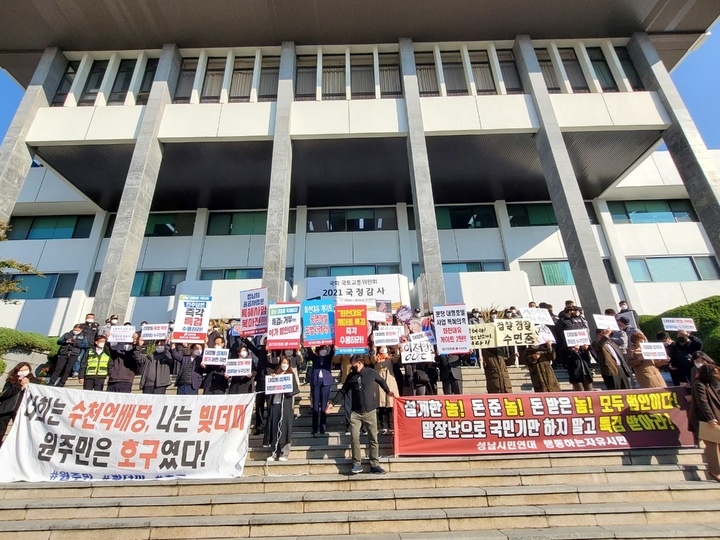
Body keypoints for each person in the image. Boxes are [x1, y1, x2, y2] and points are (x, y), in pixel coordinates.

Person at [327, 356, 393, 475]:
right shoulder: (351, 376)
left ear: (360, 363)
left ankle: (375, 464)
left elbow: (381, 381)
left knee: (373, 438)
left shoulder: (370, 372)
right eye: (352, 365)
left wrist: (387, 391)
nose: (353, 367)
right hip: (355, 413)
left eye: (355, 365)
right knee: (354, 437)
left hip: (370, 411)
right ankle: (356, 463)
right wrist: (332, 403)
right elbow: (343, 390)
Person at [690, 362, 720, 482]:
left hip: (713, 419)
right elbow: (703, 403)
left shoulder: (708, 384)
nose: (716, 375)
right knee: (712, 445)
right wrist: (710, 418)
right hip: (705, 420)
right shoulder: (698, 384)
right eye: (714, 373)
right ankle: (715, 472)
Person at [265, 357, 300, 462]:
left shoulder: (290, 375)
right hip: (275, 404)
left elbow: (295, 390)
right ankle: (274, 452)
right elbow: (269, 389)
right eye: (282, 363)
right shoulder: (275, 374)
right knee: (274, 427)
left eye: (286, 363)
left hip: (285, 405)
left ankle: (284, 453)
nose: (284, 364)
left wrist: (285, 389)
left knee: (284, 428)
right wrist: (273, 380)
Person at [0, 363, 35, 447]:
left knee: (20, 431)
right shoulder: (11, 381)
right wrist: (19, 384)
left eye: (25, 370)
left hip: (21, 410)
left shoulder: (33, 380)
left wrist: (28, 382)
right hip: (6, 409)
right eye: (21, 370)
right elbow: (5, 394)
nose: (23, 372)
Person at [306, 345, 335, 435]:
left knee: (323, 406)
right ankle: (314, 429)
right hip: (316, 382)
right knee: (315, 406)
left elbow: (332, 351)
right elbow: (309, 351)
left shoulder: (328, 357)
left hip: (326, 382)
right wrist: (307, 343)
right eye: (321, 349)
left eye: (324, 349)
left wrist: (333, 346)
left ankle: (322, 428)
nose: (323, 350)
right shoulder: (315, 357)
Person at [373, 346, 400, 433]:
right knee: (381, 404)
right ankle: (382, 425)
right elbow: (372, 359)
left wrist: (397, 349)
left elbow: (396, 358)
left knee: (390, 403)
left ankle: (391, 425)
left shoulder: (390, 358)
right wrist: (373, 350)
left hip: (390, 381)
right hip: (379, 382)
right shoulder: (376, 358)